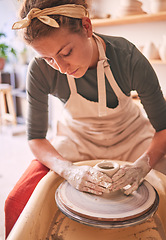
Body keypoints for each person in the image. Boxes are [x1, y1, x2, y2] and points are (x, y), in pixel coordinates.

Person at [5, 0, 166, 238]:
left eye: (65, 52)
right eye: (48, 58)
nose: (60, 67)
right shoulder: (39, 69)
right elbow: (36, 138)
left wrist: (143, 164)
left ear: (87, 27)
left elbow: (163, 128)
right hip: (76, 140)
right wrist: (68, 170)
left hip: (132, 138)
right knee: (16, 201)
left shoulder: (127, 57)